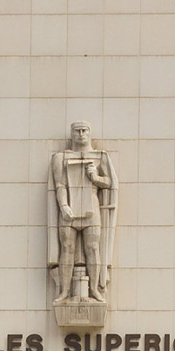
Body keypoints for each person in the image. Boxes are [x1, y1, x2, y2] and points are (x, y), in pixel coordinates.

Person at [47, 121, 118, 304]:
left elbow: (110, 183)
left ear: (89, 133)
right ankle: (64, 291)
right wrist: (63, 206)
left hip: (91, 209)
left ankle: (94, 289)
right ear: (72, 133)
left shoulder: (100, 156)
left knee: (92, 248)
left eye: (84, 130)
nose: (80, 134)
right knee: (67, 248)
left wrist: (95, 177)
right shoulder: (60, 158)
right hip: (69, 210)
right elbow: (59, 185)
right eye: (77, 131)